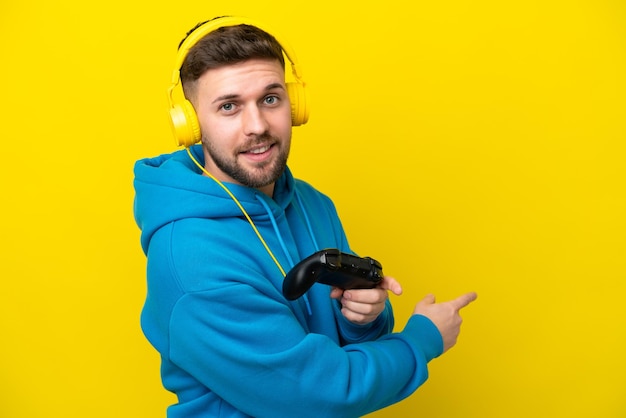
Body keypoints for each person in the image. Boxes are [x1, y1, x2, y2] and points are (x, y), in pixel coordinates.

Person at [133, 16, 477, 418]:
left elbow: (350, 341)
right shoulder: (190, 259)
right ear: (190, 123)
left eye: (271, 99)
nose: (257, 126)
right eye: (229, 106)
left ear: (294, 106)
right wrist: (422, 340)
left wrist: (362, 318)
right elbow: (319, 396)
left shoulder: (313, 204)